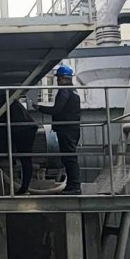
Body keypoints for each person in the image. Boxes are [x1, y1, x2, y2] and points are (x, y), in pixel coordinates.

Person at [36, 65, 82, 194]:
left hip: (66, 129)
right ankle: (72, 185)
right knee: (70, 157)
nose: (57, 81)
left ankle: (74, 186)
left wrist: (40, 108)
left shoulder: (64, 91)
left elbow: (57, 109)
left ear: (62, 78)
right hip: (73, 128)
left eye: (58, 79)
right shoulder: (74, 91)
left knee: (69, 158)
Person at [0, 91, 39, 195]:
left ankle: (23, 188)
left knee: (25, 158)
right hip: (25, 127)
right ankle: (23, 187)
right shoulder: (4, 99)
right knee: (25, 159)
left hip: (21, 129)